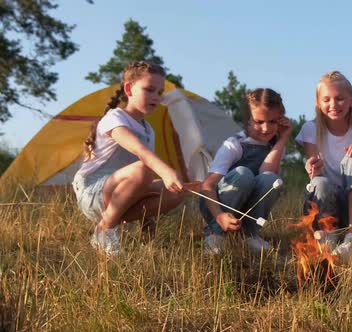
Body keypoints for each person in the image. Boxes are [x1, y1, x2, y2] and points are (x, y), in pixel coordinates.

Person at [72, 61, 185, 256]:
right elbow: (141, 152)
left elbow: (142, 177)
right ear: (129, 89)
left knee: (176, 192)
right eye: (149, 90)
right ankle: (104, 230)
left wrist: (148, 227)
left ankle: (112, 222)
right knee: (145, 168)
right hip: (93, 192)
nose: (155, 97)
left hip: (120, 192)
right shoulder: (115, 118)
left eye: (159, 92)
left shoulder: (148, 130)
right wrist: (166, 171)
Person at [295, 70, 352, 263]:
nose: (333, 105)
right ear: (318, 102)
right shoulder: (310, 129)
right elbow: (316, 176)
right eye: (326, 100)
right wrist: (313, 170)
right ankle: (327, 234)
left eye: (340, 98)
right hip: (325, 202)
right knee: (320, 182)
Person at [200, 88, 291, 255]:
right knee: (243, 173)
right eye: (259, 121)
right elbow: (208, 186)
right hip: (217, 206)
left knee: (272, 180)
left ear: (281, 120)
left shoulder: (276, 147)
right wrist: (219, 216)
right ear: (248, 120)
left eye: (272, 121)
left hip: (247, 208)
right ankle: (214, 233)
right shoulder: (235, 144)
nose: (266, 128)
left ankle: (249, 235)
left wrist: (283, 139)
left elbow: (265, 174)